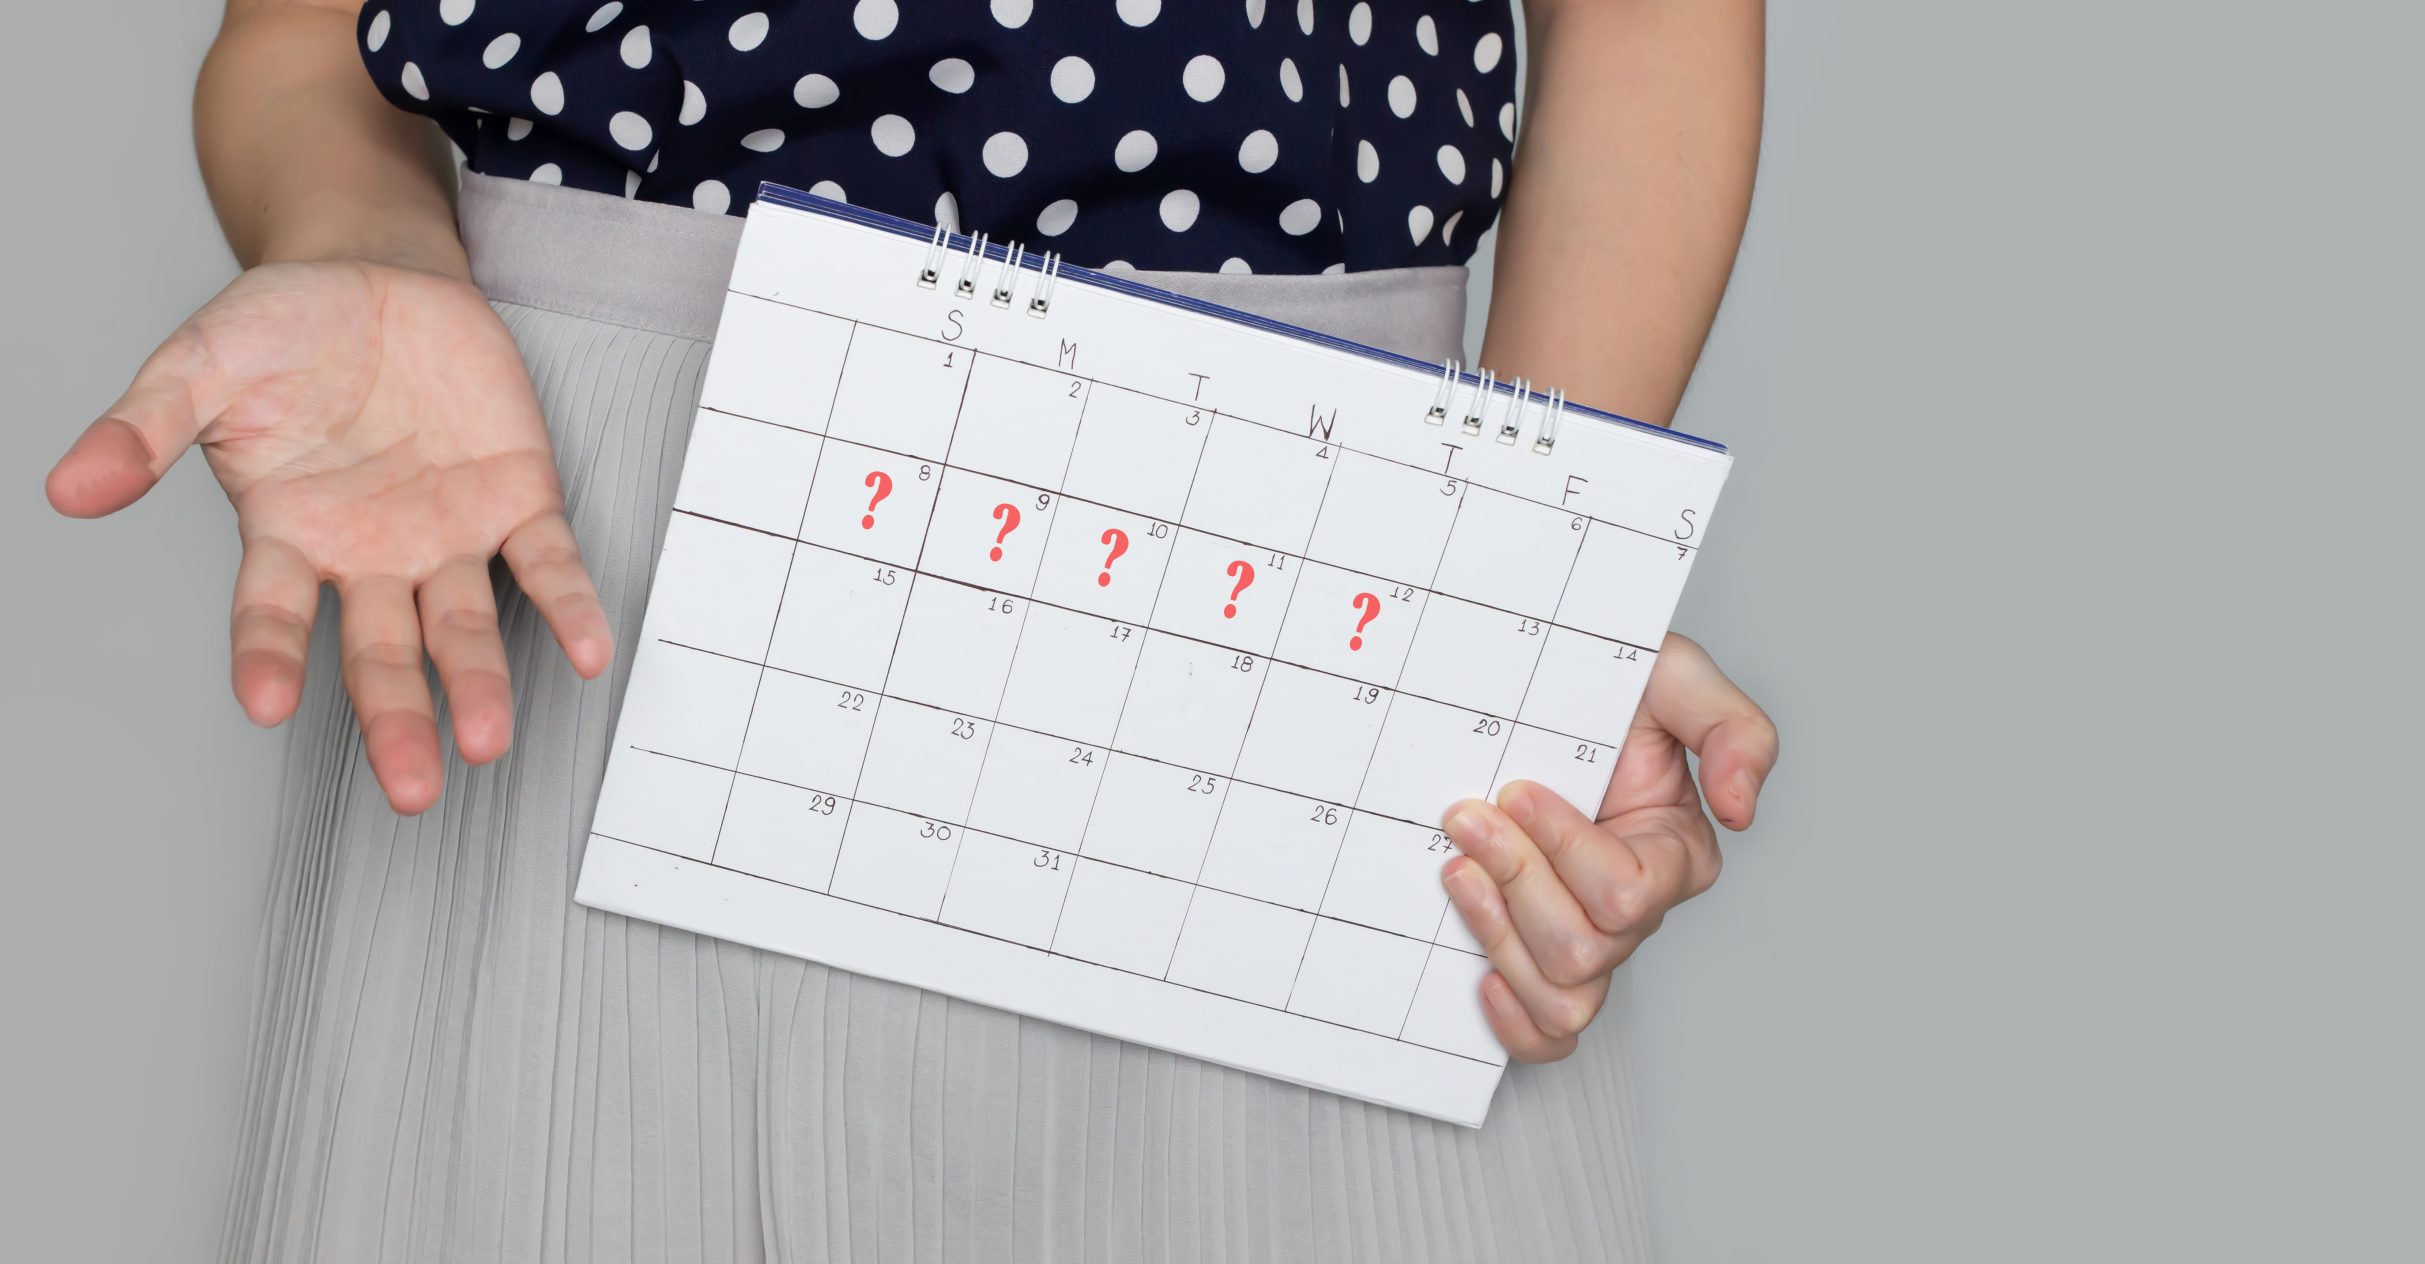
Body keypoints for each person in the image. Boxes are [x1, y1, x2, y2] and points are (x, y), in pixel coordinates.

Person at [45, 1, 1774, 1258]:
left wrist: (1543, 550)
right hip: (570, 525)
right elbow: (301, 38)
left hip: (1313, 536)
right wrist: (365, 250)